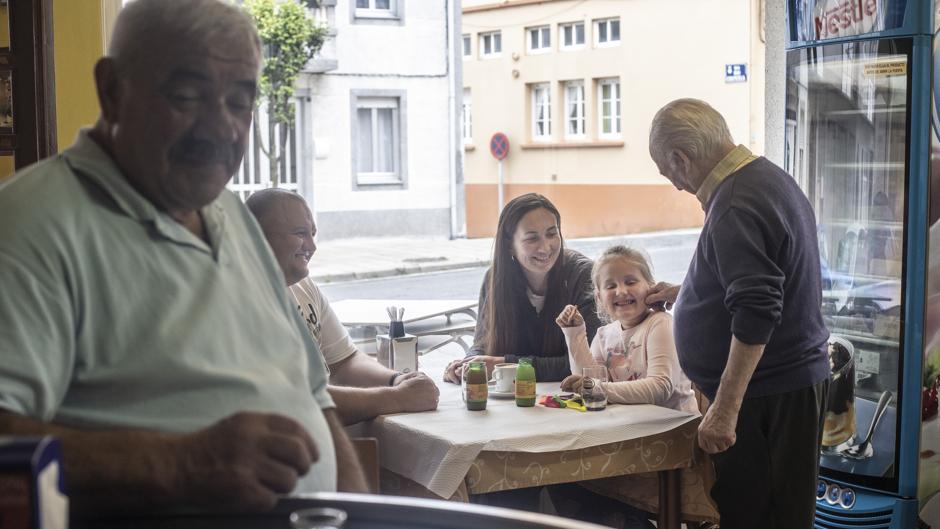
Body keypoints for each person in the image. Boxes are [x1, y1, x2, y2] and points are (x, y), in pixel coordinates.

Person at [0, 0, 366, 517]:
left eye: (240, 103)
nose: (219, 127)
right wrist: (177, 463)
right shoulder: (29, 226)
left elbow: (313, 396)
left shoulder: (230, 212)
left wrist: (356, 517)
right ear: (112, 90)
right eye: (186, 96)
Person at [644, 98, 830, 529]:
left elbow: (757, 307)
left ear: (680, 158)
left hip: (764, 397)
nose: (675, 185)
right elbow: (767, 272)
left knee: (759, 519)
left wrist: (725, 410)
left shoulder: (732, 204)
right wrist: (691, 291)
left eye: (668, 172)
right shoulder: (765, 177)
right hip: (784, 388)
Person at [246, 188, 440, 425]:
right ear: (256, 236)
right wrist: (399, 398)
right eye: (300, 233)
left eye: (313, 234)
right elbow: (291, 400)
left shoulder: (304, 287)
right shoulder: (237, 301)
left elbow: (344, 362)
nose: (312, 246)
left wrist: (397, 380)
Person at [443, 193, 599, 384]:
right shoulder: (495, 279)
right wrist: (467, 364)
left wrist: (506, 365)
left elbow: (589, 364)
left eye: (552, 233)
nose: (545, 247)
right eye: (532, 238)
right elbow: (483, 344)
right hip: (512, 401)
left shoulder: (584, 276)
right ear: (509, 246)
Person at [556, 245, 696, 413]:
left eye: (630, 282)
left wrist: (599, 388)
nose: (621, 291)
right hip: (631, 427)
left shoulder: (660, 323)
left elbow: (661, 387)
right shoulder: (603, 335)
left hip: (674, 429)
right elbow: (589, 384)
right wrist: (574, 333)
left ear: (651, 286)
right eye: (610, 286)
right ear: (599, 298)